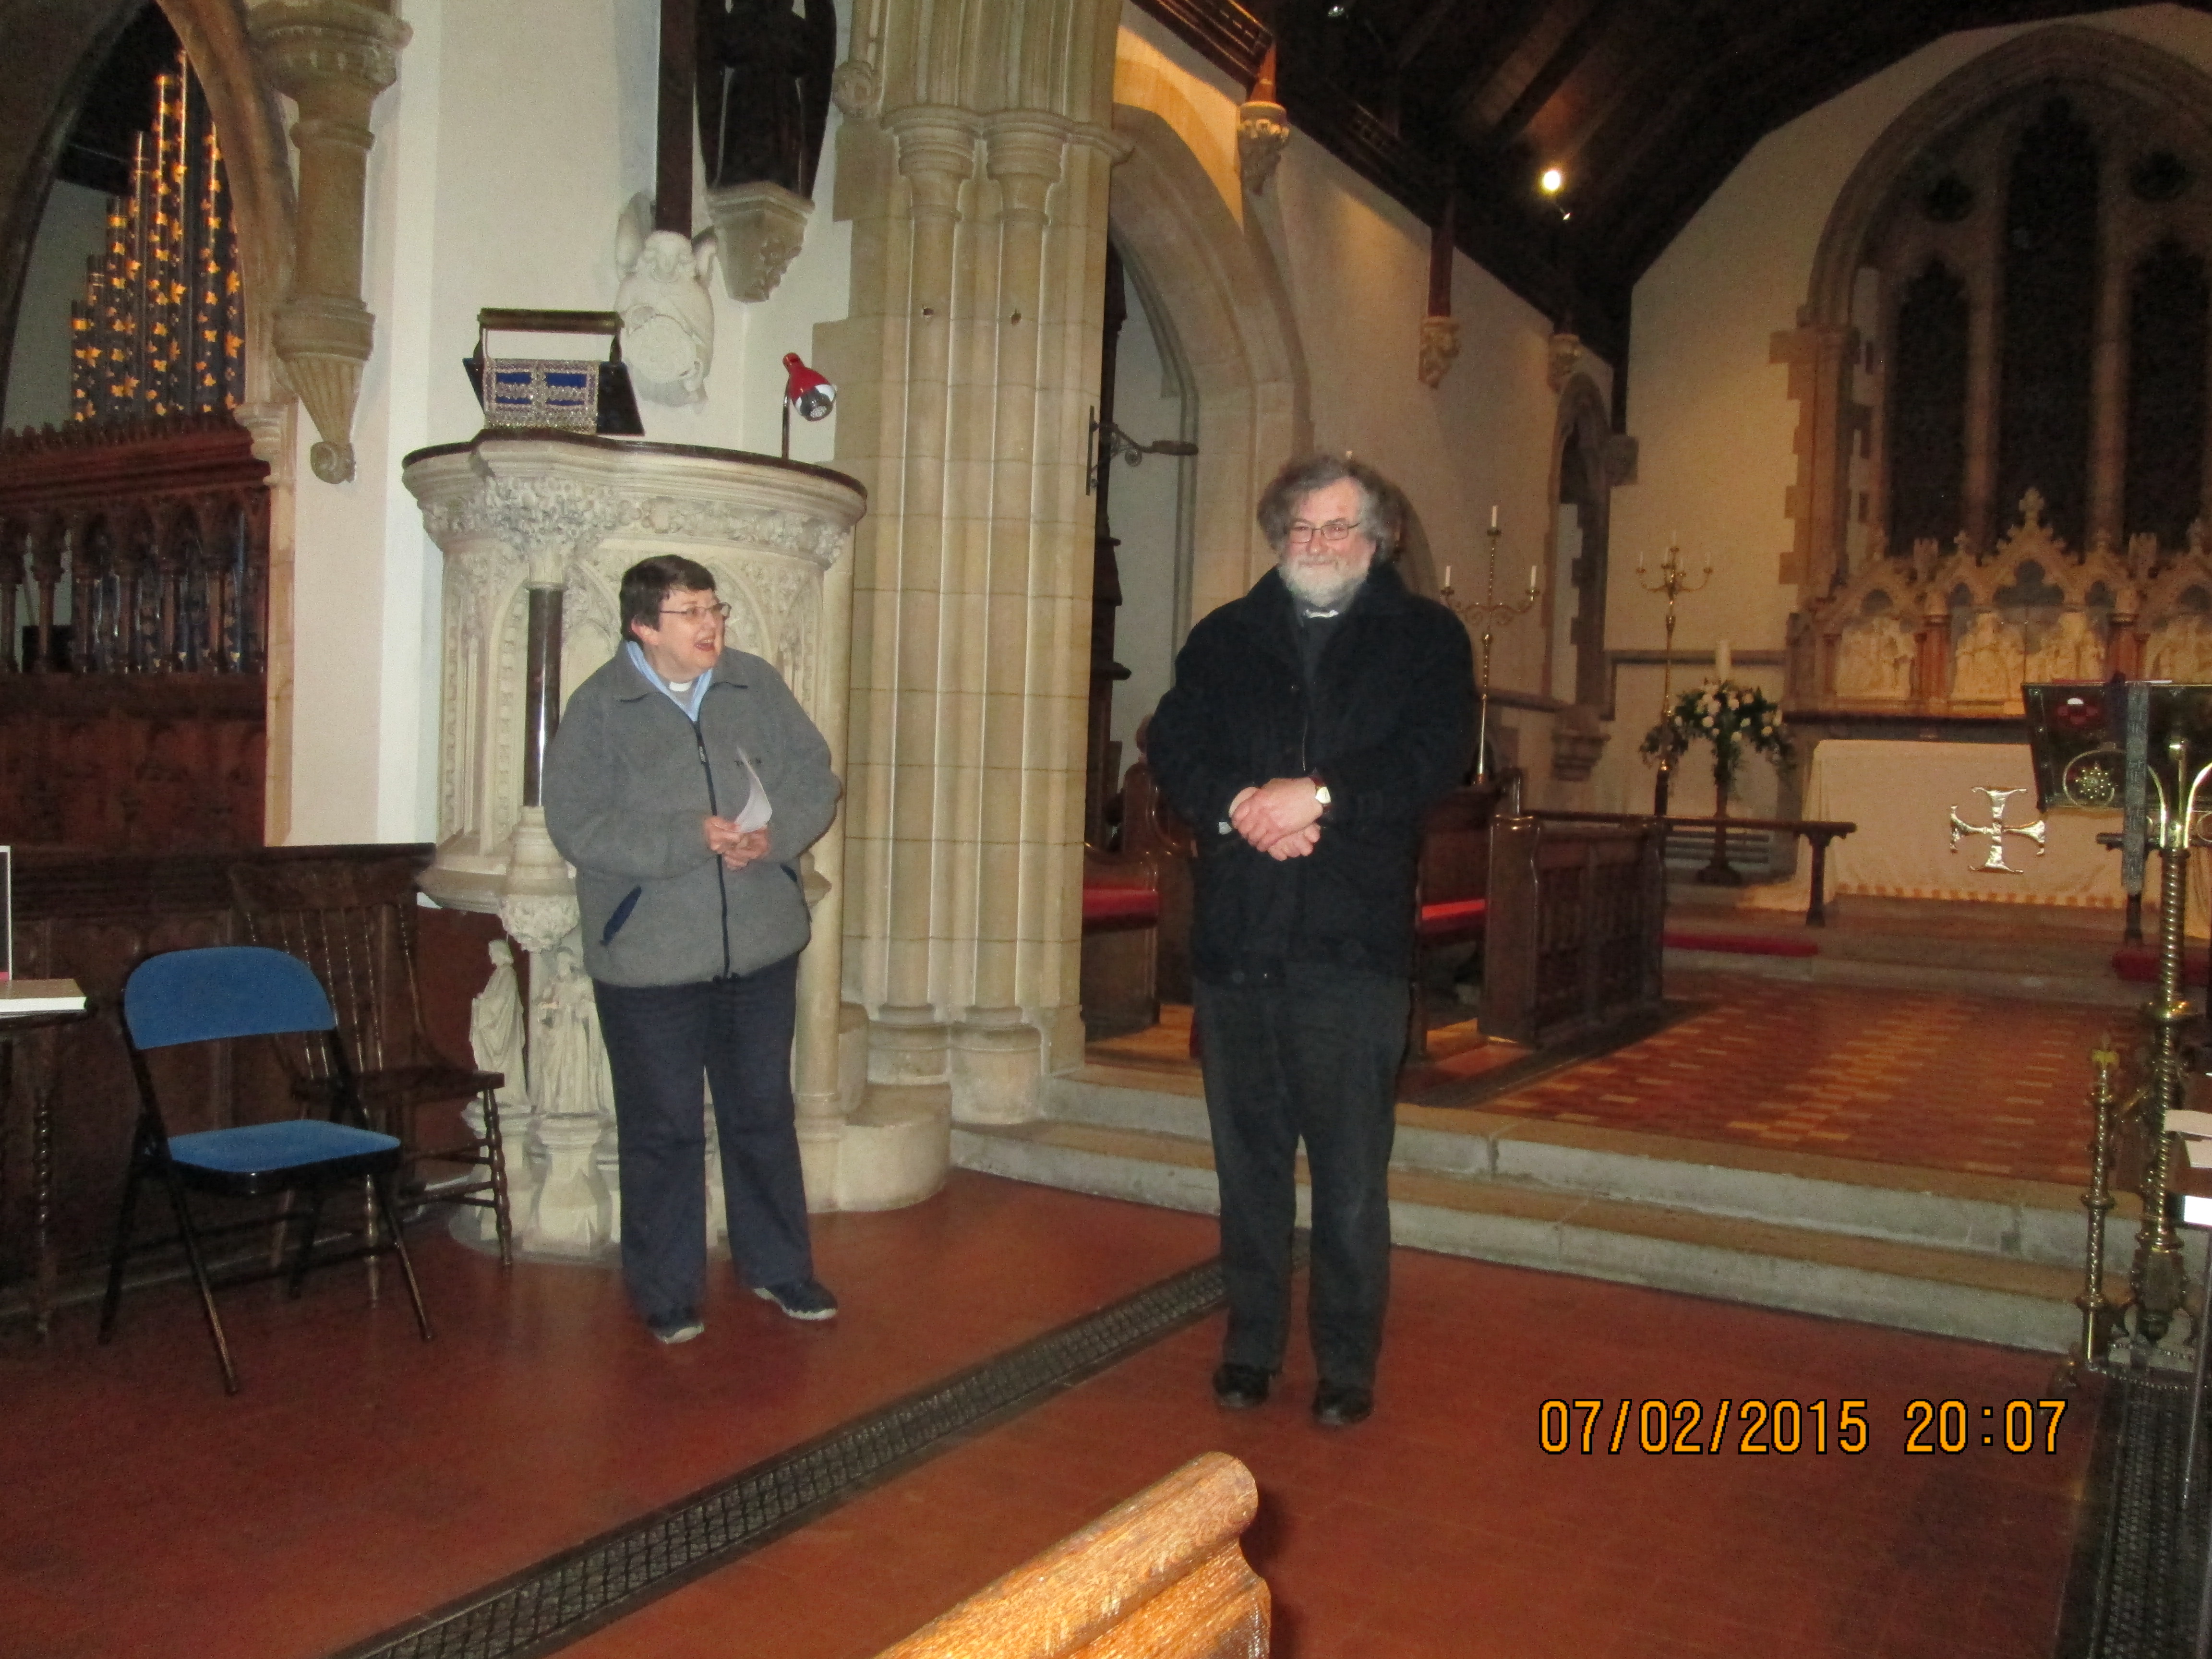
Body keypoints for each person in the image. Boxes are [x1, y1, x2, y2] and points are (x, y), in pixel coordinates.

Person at [1148, 453, 1473, 1427]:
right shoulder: (1226, 637)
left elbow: (1435, 752)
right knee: (1247, 1172)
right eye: (1301, 529)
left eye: (1338, 529)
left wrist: (1319, 796)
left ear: (1379, 541)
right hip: (1241, 937)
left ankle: (1345, 1363)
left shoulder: (1424, 637)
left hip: (1350, 943)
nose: (1317, 545)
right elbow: (1173, 741)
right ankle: (1249, 1347)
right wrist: (1241, 802)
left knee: (1347, 1178)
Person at [543, 554, 841, 1345]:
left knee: (761, 1114)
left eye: (714, 609)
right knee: (664, 1128)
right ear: (644, 626)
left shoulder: (755, 683)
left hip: (758, 944)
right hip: (650, 958)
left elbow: (816, 773)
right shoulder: (601, 706)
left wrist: (774, 840)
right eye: (691, 612)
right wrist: (687, 839)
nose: (712, 625)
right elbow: (577, 824)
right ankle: (666, 1289)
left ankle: (779, 1267)